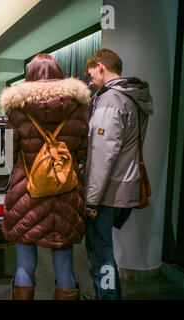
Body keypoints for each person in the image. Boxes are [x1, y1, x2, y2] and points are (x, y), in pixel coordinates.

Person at [0, 54, 90, 300]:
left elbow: (7, 154)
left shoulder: (17, 109)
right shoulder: (78, 107)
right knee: (65, 264)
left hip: (26, 193)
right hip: (66, 193)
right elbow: (82, 152)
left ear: (30, 74)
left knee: (24, 264)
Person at [84, 48, 154, 300]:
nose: (90, 82)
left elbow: (102, 155)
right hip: (123, 184)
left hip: (105, 191)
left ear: (101, 66)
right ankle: (110, 295)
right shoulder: (133, 96)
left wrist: (91, 199)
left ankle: (108, 297)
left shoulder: (111, 99)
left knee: (100, 252)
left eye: (91, 74)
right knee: (104, 251)